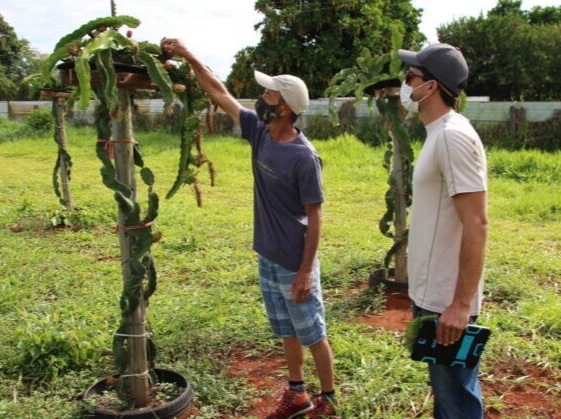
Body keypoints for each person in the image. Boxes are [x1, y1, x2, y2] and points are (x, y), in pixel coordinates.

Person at [161, 38, 338, 418]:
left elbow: (316, 216)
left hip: (295, 261)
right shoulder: (259, 131)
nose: (261, 97)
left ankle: (329, 399)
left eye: (269, 93)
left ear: (284, 106)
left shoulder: (304, 157)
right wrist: (189, 55)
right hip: (268, 256)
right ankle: (298, 394)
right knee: (286, 330)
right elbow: (218, 92)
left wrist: (305, 271)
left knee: (313, 333)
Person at [397, 43, 489, 419]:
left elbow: (477, 222)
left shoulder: (453, 136)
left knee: (456, 400)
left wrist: (460, 306)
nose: (404, 84)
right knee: (446, 393)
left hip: (445, 300)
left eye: (410, 76)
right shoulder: (438, 133)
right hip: (433, 295)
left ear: (431, 86)